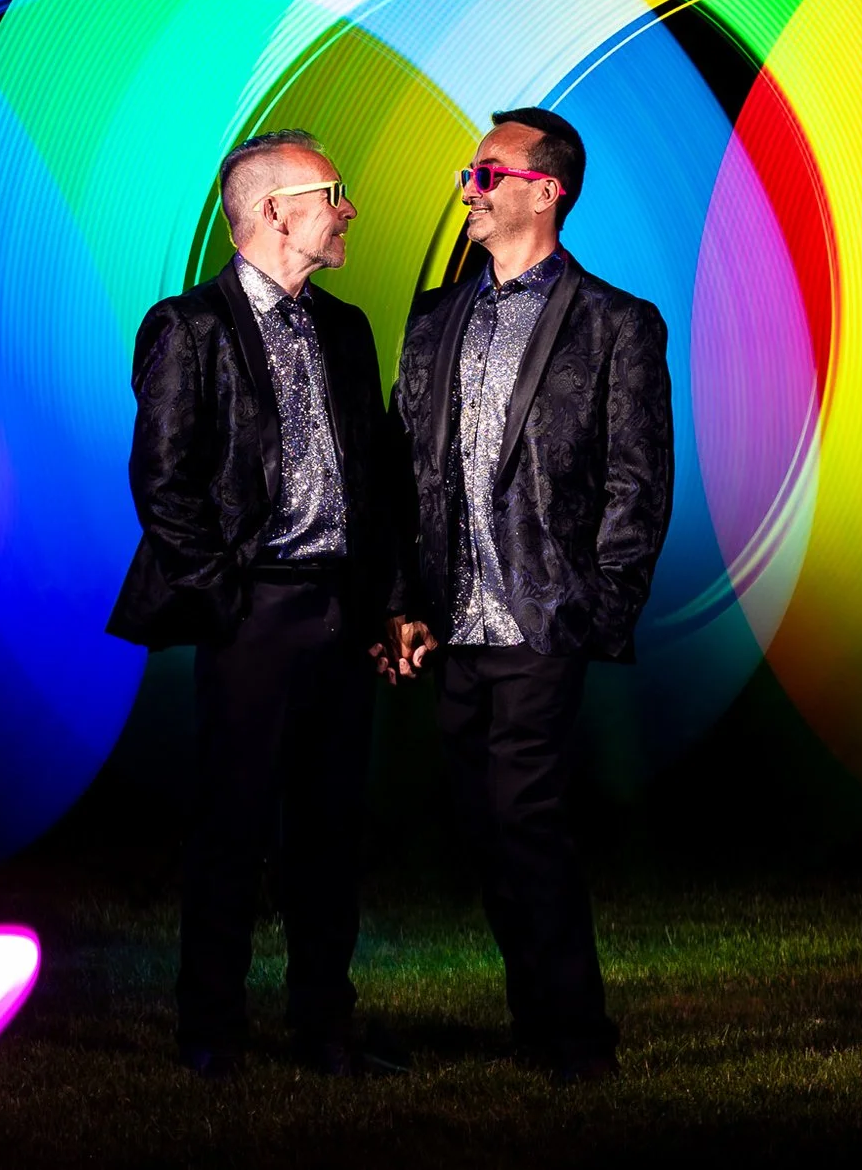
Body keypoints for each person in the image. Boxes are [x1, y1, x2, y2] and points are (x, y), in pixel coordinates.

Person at [107, 128, 410, 1080]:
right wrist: (225, 601)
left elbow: (381, 480)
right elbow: (162, 482)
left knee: (329, 830)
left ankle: (327, 1031)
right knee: (232, 827)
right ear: (277, 210)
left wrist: (386, 601)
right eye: (335, 190)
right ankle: (213, 1032)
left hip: (338, 609)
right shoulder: (188, 326)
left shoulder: (348, 327)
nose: (348, 207)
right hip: (254, 614)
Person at [381, 106, 673, 1083]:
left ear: (546, 187)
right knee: (479, 820)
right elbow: (402, 466)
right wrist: (400, 596)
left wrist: (599, 605)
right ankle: (536, 1020)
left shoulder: (616, 323)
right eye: (469, 174)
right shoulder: (436, 315)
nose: (470, 188)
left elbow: (637, 480)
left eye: (487, 172)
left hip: (541, 616)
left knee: (525, 813)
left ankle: (576, 1038)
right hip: (452, 615)